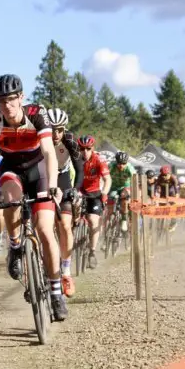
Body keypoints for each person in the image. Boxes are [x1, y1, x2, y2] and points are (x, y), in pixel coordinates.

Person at [0, 74, 69, 320]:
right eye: (0, 101)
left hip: (38, 170)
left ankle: (55, 292)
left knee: (44, 229)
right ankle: (16, 245)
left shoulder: (36, 114)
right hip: (11, 169)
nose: (7, 106)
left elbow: (50, 153)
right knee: (10, 197)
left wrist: (52, 186)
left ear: (21, 97)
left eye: (11, 99)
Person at [47, 108, 83, 298]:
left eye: (59, 130)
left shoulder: (69, 140)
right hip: (43, 177)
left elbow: (80, 168)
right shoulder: (39, 137)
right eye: (52, 129)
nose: (55, 134)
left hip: (62, 177)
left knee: (65, 226)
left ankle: (67, 272)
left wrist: (75, 189)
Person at [78, 135, 111, 269]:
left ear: (93, 148)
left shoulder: (99, 159)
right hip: (79, 192)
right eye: (81, 149)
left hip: (95, 193)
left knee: (93, 220)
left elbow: (107, 179)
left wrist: (104, 193)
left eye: (88, 148)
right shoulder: (75, 159)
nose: (84, 151)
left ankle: (92, 252)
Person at [110, 151, 135, 232]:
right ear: (116, 162)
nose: (121, 165)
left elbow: (135, 180)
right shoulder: (111, 166)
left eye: (124, 163)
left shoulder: (129, 168)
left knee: (124, 198)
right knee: (110, 198)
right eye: (119, 163)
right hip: (114, 187)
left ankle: (124, 220)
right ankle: (108, 219)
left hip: (126, 187)